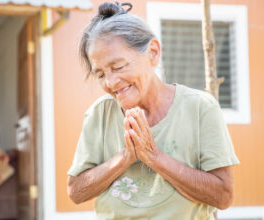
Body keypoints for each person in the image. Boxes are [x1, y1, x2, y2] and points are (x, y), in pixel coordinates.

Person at [67, 2, 239, 219]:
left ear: (153, 53)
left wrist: (154, 157)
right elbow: (76, 191)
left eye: (118, 67)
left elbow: (223, 196)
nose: (110, 82)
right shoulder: (99, 114)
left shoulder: (200, 108)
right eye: (100, 74)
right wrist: (125, 158)